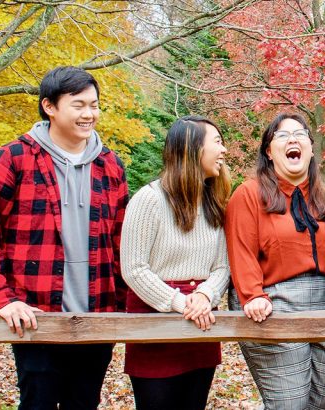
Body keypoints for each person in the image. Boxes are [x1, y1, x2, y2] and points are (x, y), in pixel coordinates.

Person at [0, 66, 129, 409]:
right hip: (35, 316)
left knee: (84, 404)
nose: (89, 114)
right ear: (50, 107)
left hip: (96, 318)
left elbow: (121, 241)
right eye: (79, 105)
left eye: (94, 105)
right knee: (37, 403)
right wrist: (4, 299)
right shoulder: (14, 158)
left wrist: (121, 305)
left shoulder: (110, 165)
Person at [225, 113, 325, 409]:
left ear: (311, 149)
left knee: (324, 402)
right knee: (290, 403)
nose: (292, 139)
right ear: (268, 151)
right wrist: (252, 296)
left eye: (300, 134)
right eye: (282, 135)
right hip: (273, 303)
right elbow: (241, 250)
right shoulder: (249, 194)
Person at [120, 115, 231, 409]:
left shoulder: (213, 203)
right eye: (217, 142)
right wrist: (182, 304)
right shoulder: (148, 200)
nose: (224, 151)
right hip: (155, 323)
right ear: (193, 148)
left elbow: (222, 267)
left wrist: (205, 295)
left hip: (201, 326)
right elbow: (133, 269)